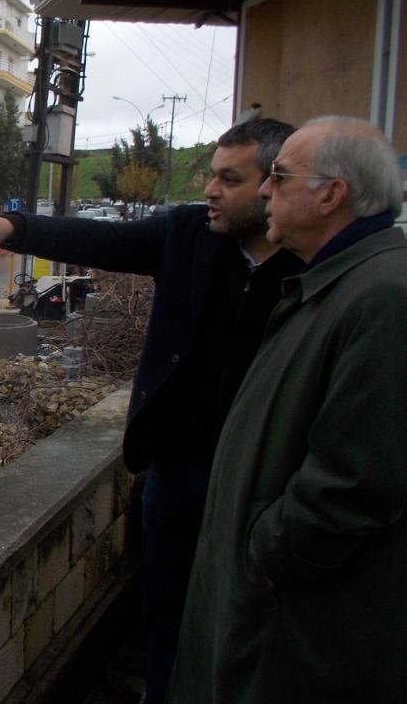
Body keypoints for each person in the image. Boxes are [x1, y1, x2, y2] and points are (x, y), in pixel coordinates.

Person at [0, 118, 303, 704]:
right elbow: (101, 240)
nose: (210, 190)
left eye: (229, 179)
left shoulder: (314, 264)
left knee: (251, 630)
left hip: (265, 487)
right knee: (167, 619)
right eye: (212, 175)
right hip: (178, 473)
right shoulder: (189, 234)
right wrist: (14, 227)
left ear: (272, 185)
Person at [168, 117, 407, 703]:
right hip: (273, 608)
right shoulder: (335, 283)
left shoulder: (383, 298)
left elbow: (353, 484)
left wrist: (262, 555)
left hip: (293, 626)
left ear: (331, 194)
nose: (266, 191)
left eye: (278, 177)